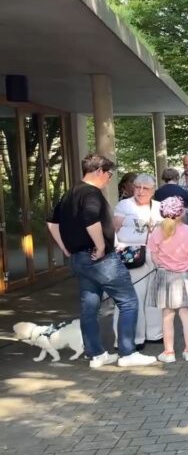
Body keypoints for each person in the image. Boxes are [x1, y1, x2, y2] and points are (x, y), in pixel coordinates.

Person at [46, 154, 156, 368]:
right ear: (99, 171)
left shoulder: (70, 193)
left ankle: (96, 354)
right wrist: (101, 246)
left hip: (79, 258)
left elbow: (51, 222)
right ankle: (127, 352)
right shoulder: (91, 193)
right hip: (99, 258)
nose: (109, 179)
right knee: (128, 301)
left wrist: (65, 248)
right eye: (109, 174)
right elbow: (90, 220)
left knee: (89, 307)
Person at [148, 196, 188, 364]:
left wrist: (164, 264)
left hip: (165, 275)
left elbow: (154, 257)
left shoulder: (157, 232)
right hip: (185, 275)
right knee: (185, 313)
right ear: (181, 213)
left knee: (167, 315)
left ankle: (169, 352)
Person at [113, 173, 164, 349]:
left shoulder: (159, 207)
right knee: (134, 296)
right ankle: (134, 337)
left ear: (153, 191)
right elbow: (115, 229)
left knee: (154, 296)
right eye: (137, 187)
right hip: (131, 256)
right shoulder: (123, 205)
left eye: (145, 188)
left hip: (155, 255)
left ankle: (155, 333)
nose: (140, 191)